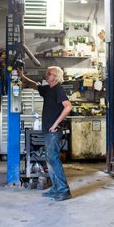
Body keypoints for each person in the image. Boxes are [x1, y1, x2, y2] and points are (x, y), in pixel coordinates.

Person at [18, 66, 73, 201]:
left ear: (56, 77)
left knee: (54, 160)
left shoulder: (58, 89)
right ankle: (55, 189)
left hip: (53, 132)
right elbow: (34, 85)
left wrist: (55, 124)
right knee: (50, 160)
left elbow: (68, 107)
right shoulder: (49, 89)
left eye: (50, 73)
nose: (46, 75)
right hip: (48, 131)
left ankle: (64, 190)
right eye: (47, 73)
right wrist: (22, 76)